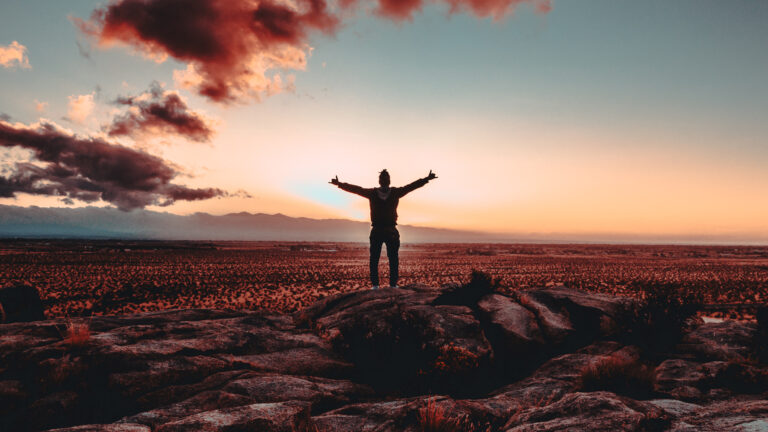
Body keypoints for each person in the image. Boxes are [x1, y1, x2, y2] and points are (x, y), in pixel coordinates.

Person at [330, 169, 437, 289]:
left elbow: (356, 189)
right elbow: (411, 187)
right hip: (389, 230)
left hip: (379, 230)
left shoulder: (374, 193)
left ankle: (377, 285)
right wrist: (426, 179)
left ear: (379, 181)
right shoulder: (394, 192)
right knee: (392, 259)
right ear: (388, 181)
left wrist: (339, 184)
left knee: (376, 259)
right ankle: (391, 285)